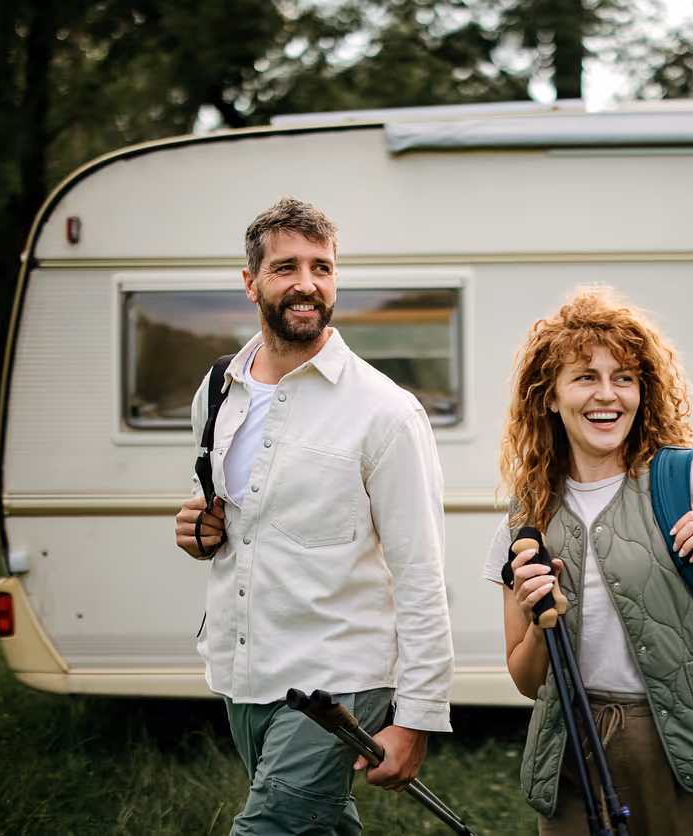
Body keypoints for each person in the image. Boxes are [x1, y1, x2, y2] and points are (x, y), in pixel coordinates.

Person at [174, 197, 454, 836]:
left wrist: (417, 717)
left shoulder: (386, 412)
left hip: (337, 680)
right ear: (251, 283)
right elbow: (223, 513)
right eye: (286, 268)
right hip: (244, 667)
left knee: (271, 828)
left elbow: (420, 575)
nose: (307, 284)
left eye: (322, 267)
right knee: (320, 825)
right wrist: (199, 529)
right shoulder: (218, 388)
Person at [482, 287, 693, 836]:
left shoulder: (687, 481)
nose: (606, 395)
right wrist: (542, 624)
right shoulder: (525, 521)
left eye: (624, 378)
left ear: (642, 392)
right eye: (585, 376)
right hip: (576, 755)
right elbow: (525, 679)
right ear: (550, 396)